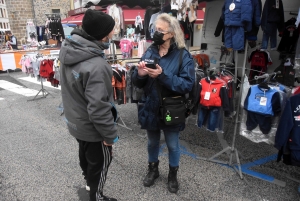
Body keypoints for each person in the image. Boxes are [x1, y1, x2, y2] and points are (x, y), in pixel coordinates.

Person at [59, 9, 119, 201]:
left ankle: (89, 187)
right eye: (111, 31)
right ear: (102, 35)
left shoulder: (68, 49)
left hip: (76, 122)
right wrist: (110, 136)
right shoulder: (96, 64)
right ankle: (96, 196)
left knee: (86, 158)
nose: (112, 34)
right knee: (100, 164)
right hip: (92, 129)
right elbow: (98, 108)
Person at [132, 13, 195, 193]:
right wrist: (140, 75)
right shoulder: (150, 51)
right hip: (150, 106)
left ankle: (172, 175)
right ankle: (153, 170)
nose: (156, 32)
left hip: (171, 108)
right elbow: (138, 82)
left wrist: (163, 76)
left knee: (173, 145)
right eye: (155, 29)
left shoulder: (183, 56)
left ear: (172, 33)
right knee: (152, 143)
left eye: (160, 30)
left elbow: (187, 84)